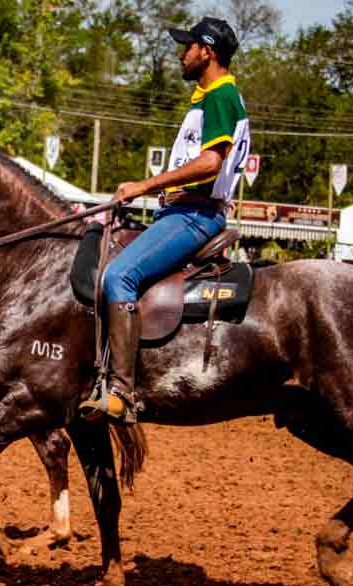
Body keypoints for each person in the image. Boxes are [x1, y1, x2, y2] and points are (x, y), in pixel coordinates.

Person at [79, 17, 249, 423]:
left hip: (195, 214)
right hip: (182, 209)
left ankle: (120, 391)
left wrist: (145, 184)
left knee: (119, 277)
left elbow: (210, 162)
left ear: (207, 51)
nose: (181, 53)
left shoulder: (221, 95)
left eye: (188, 46)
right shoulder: (208, 96)